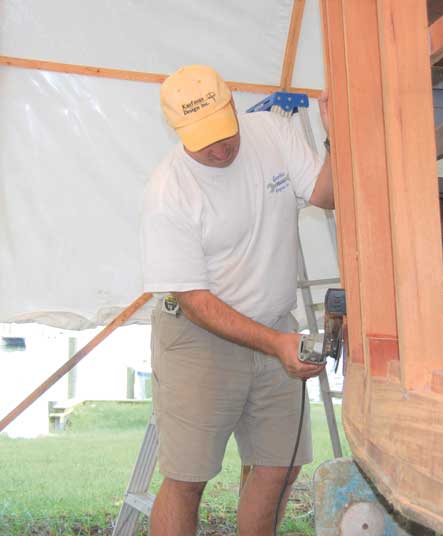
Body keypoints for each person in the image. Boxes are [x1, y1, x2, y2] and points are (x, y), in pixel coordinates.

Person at [140, 64, 334, 535]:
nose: (219, 147)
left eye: (224, 132)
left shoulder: (273, 131)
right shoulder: (169, 190)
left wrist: (339, 135)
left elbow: (328, 194)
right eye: (203, 139)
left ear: (232, 105)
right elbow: (194, 300)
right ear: (177, 129)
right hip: (199, 338)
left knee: (279, 467)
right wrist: (275, 343)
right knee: (188, 478)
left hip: (275, 327)